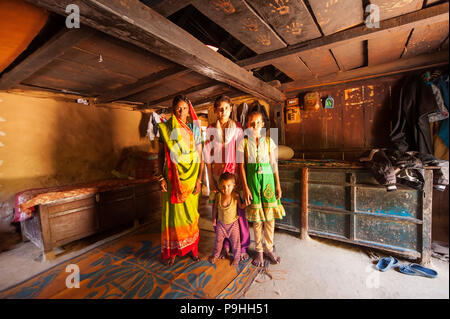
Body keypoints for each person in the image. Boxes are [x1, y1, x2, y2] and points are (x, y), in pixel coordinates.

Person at [157, 95, 204, 266]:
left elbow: (200, 156)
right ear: (173, 109)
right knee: (173, 218)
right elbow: (161, 154)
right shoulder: (166, 128)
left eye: (184, 108)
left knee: (191, 216)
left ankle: (193, 249)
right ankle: (173, 251)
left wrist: (199, 179)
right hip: (172, 179)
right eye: (178, 108)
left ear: (189, 109)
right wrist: (160, 177)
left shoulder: (194, 129)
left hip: (191, 181)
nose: (182, 111)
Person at [204, 95, 251, 261]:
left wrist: (244, 185)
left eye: (226, 108)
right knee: (220, 213)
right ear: (216, 111)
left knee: (238, 212)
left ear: (231, 109)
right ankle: (224, 246)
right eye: (220, 108)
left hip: (234, 177)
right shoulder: (210, 129)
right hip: (218, 178)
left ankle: (242, 246)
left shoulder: (238, 128)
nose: (223, 111)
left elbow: (241, 159)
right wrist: (210, 182)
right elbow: (208, 158)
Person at [238, 107, 285, 267]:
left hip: (268, 182)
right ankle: (259, 251)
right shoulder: (243, 143)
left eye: (258, 122)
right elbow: (241, 167)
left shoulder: (268, 141)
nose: (255, 125)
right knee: (257, 220)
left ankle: (269, 249)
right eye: (252, 123)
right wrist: (245, 187)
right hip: (252, 182)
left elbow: (273, 164)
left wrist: (278, 184)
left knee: (269, 218)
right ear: (247, 125)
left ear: (263, 124)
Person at [209, 172, 247, 265]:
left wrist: (246, 204)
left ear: (234, 185)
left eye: (229, 186)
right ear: (219, 185)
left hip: (233, 225)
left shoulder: (235, 195)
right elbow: (215, 208)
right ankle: (215, 255)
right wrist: (214, 218)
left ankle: (236, 258)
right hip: (221, 225)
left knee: (235, 243)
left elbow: (241, 206)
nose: (226, 189)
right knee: (218, 242)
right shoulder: (218, 196)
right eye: (223, 186)